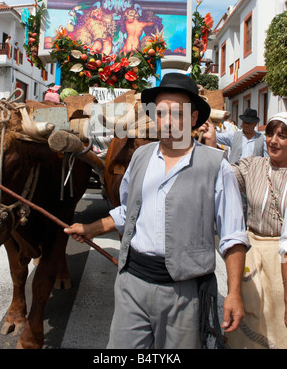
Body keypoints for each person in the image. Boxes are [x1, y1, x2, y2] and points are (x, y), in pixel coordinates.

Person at [64, 73, 249, 349]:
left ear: (194, 117)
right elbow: (129, 212)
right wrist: (90, 228)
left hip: (185, 294)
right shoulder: (140, 156)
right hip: (132, 284)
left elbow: (233, 235)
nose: (168, 121)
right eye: (161, 113)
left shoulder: (216, 166)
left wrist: (234, 292)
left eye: (177, 113)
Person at [201, 111, 287, 349]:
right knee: (248, 314)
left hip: (283, 257)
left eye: (282, 136)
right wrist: (210, 143)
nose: (273, 140)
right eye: (270, 134)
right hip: (253, 250)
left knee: (279, 320)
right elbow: (225, 176)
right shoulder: (253, 165)